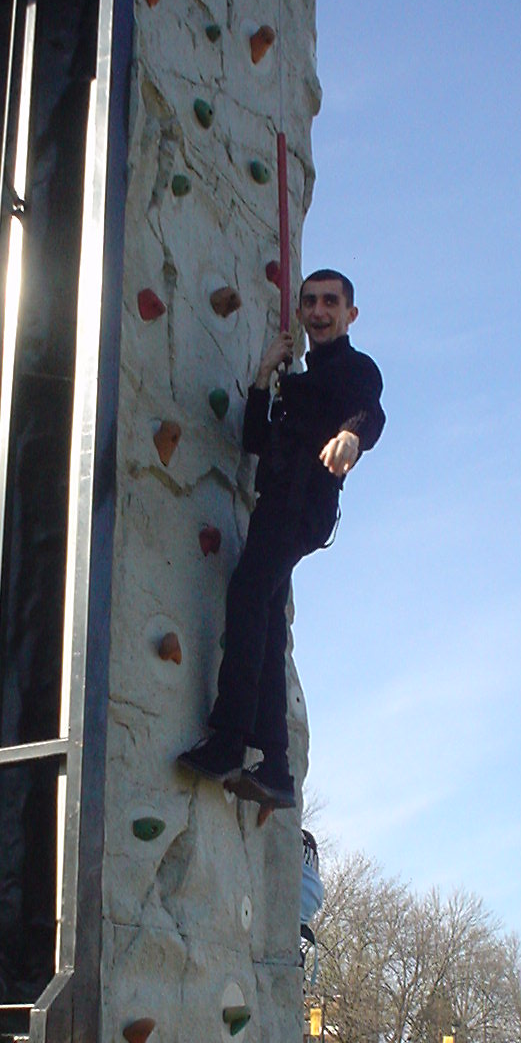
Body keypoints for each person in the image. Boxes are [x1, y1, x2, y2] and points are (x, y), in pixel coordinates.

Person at [178, 270, 385, 808]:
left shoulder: (354, 369)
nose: (319, 311)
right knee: (263, 617)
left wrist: (351, 436)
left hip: (302, 507)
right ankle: (274, 765)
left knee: (248, 594)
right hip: (278, 506)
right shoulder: (294, 379)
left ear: (349, 315)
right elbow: (252, 442)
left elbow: (369, 408)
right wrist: (262, 377)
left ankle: (228, 739)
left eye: (330, 303)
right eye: (311, 302)